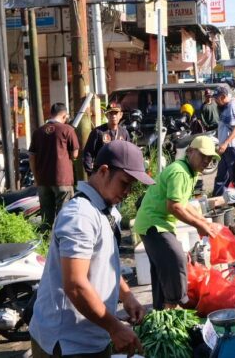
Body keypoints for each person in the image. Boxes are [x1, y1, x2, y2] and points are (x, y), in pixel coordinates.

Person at [29, 140, 153, 358]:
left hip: (93, 334)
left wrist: (127, 296)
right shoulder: (80, 216)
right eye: (125, 183)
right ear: (104, 171)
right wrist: (115, 327)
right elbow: (76, 284)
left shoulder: (105, 209)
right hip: (67, 343)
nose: (128, 191)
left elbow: (104, 263)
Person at [133, 136, 218, 309]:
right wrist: (199, 225)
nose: (207, 161)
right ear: (190, 152)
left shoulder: (191, 173)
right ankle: (178, 301)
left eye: (210, 158)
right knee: (176, 257)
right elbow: (174, 207)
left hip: (158, 223)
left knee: (161, 269)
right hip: (153, 223)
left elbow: (184, 203)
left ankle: (160, 310)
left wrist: (205, 221)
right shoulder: (180, 171)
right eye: (203, 156)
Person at [30, 103, 81, 231]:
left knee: (46, 218)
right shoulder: (67, 130)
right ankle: (62, 244)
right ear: (65, 116)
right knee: (65, 216)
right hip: (62, 179)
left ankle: (46, 243)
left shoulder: (38, 132)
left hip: (43, 180)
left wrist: (36, 178)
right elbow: (75, 154)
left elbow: (32, 157)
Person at [212, 83, 235, 197]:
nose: (215, 101)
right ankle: (217, 200)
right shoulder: (224, 106)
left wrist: (225, 144)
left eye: (217, 98)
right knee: (221, 176)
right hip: (225, 146)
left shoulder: (232, 105)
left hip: (231, 147)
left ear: (222, 96)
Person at [81, 104, 130, 176]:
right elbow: (88, 153)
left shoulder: (124, 133)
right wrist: (90, 172)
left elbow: (128, 153)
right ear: (106, 115)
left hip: (118, 174)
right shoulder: (98, 132)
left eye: (116, 113)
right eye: (111, 113)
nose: (113, 116)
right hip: (102, 173)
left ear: (121, 115)